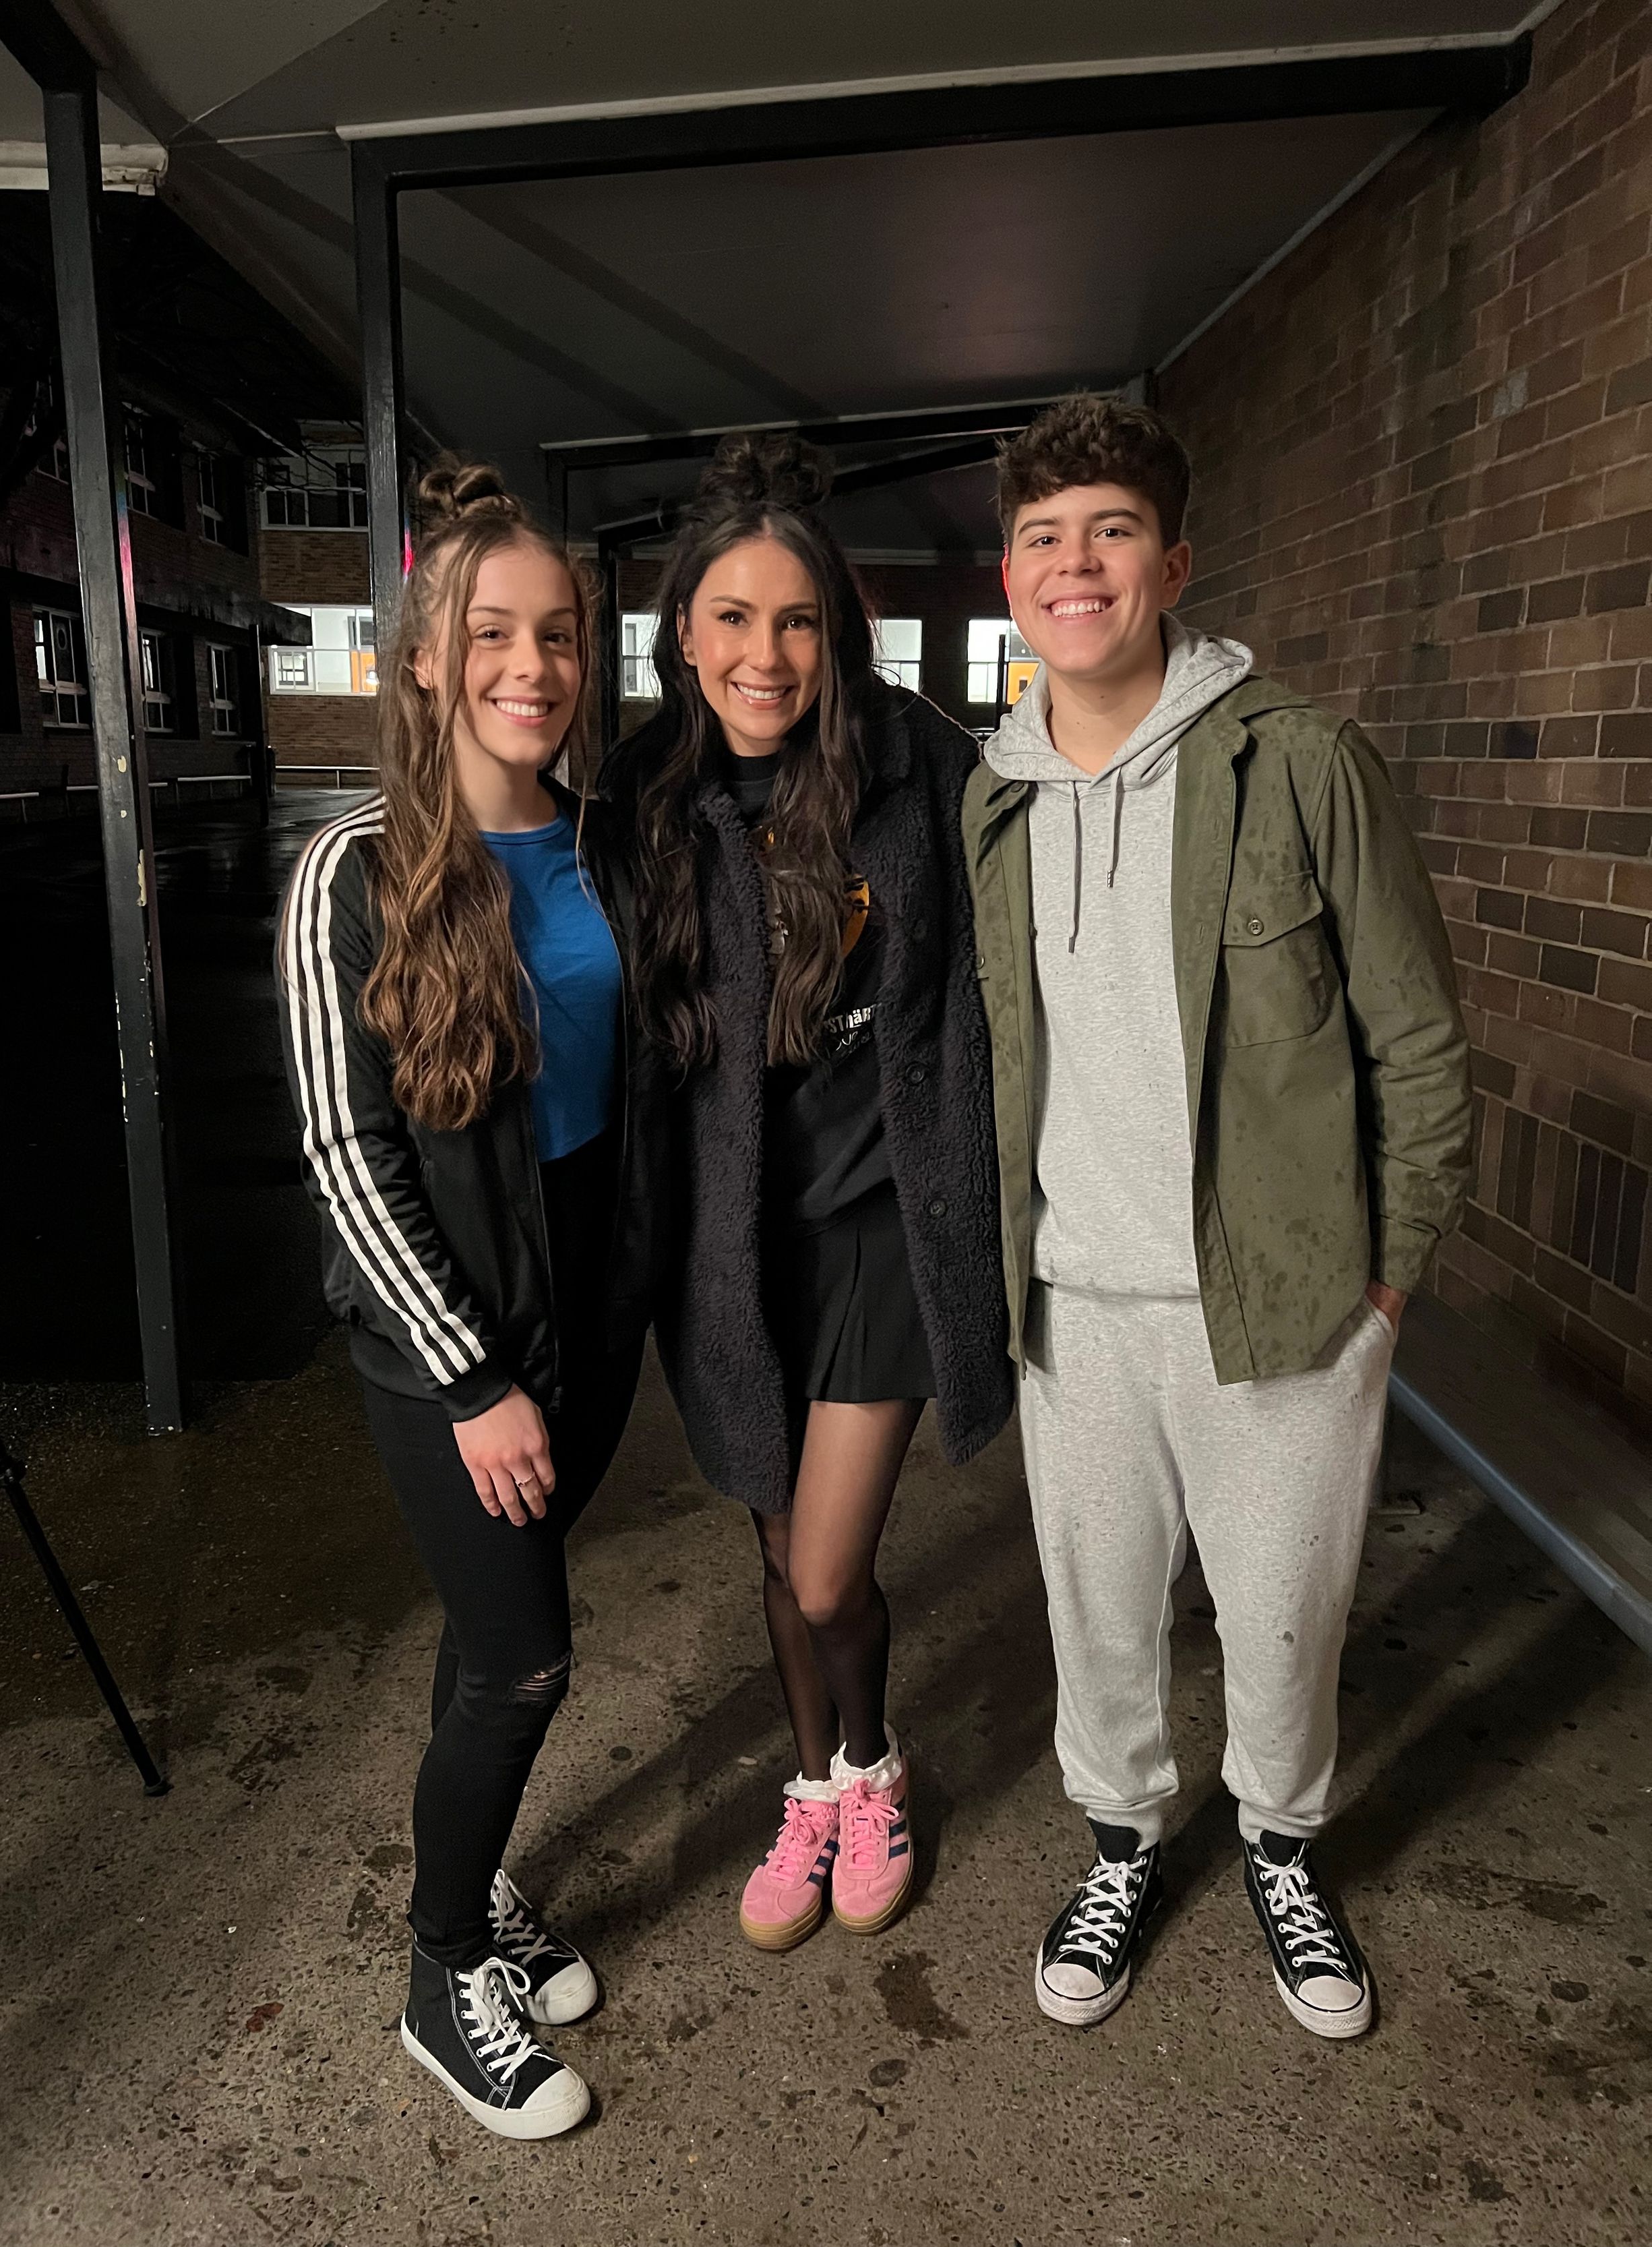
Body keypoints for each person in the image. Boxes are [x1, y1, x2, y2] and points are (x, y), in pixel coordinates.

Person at [964, 394, 1472, 2041]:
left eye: (1110, 530)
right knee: (1097, 1615)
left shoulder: (1299, 761)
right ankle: (1120, 1842)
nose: (1075, 563)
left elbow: (1416, 1041)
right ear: (1007, 579)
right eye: (1043, 538)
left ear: (1171, 563)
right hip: (1071, 1306)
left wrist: (1384, 1285)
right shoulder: (993, 800)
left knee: (1281, 1619)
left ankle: (1280, 1844)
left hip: (1280, 1304)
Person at [278, 461, 663, 2138]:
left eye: (558, 634)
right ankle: (442, 1972)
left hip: (586, 1305)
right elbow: (344, 1152)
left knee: (483, 1631)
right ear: (427, 657)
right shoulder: (353, 869)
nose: (531, 664)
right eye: (493, 632)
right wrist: (469, 1374)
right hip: (448, 1336)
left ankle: (479, 1879)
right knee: (522, 1662)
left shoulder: (600, 843)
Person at [606, 436, 1009, 1952]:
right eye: (732, 617)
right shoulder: (645, 794)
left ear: (836, 631)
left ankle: (875, 1762)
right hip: (735, 1234)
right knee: (774, 1551)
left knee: (829, 1565)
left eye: (796, 620)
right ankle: (815, 1782)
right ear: (684, 632)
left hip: (888, 1220)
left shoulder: (920, 766)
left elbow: (1011, 962)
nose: (764, 655)